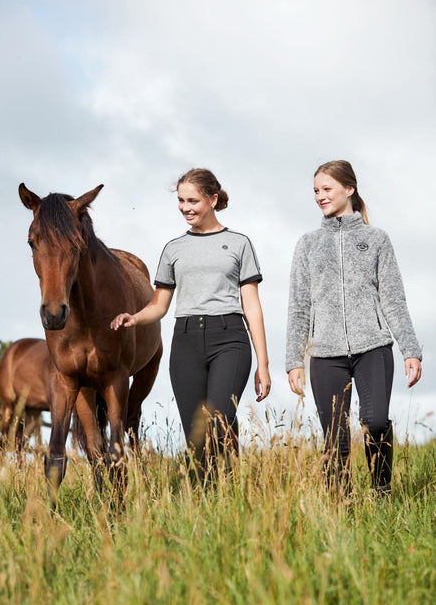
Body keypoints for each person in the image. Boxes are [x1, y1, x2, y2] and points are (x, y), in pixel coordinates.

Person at [111, 168, 271, 479]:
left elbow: (251, 304)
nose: (186, 207)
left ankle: (229, 483)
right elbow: (159, 304)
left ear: (212, 199)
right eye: (181, 200)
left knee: (219, 419)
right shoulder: (174, 249)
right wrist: (135, 317)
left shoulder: (238, 243)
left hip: (230, 339)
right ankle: (208, 502)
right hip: (185, 341)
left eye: (193, 200)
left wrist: (262, 364)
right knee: (196, 437)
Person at [286, 160, 422, 495]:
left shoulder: (376, 239)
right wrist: (293, 359)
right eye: (316, 190)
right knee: (335, 436)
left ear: (349, 189)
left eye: (327, 189)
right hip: (325, 353)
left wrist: (411, 349)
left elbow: (392, 298)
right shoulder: (307, 244)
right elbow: (299, 306)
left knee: (375, 423)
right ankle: (341, 506)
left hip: (373, 347)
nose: (320, 196)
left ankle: (381, 492)